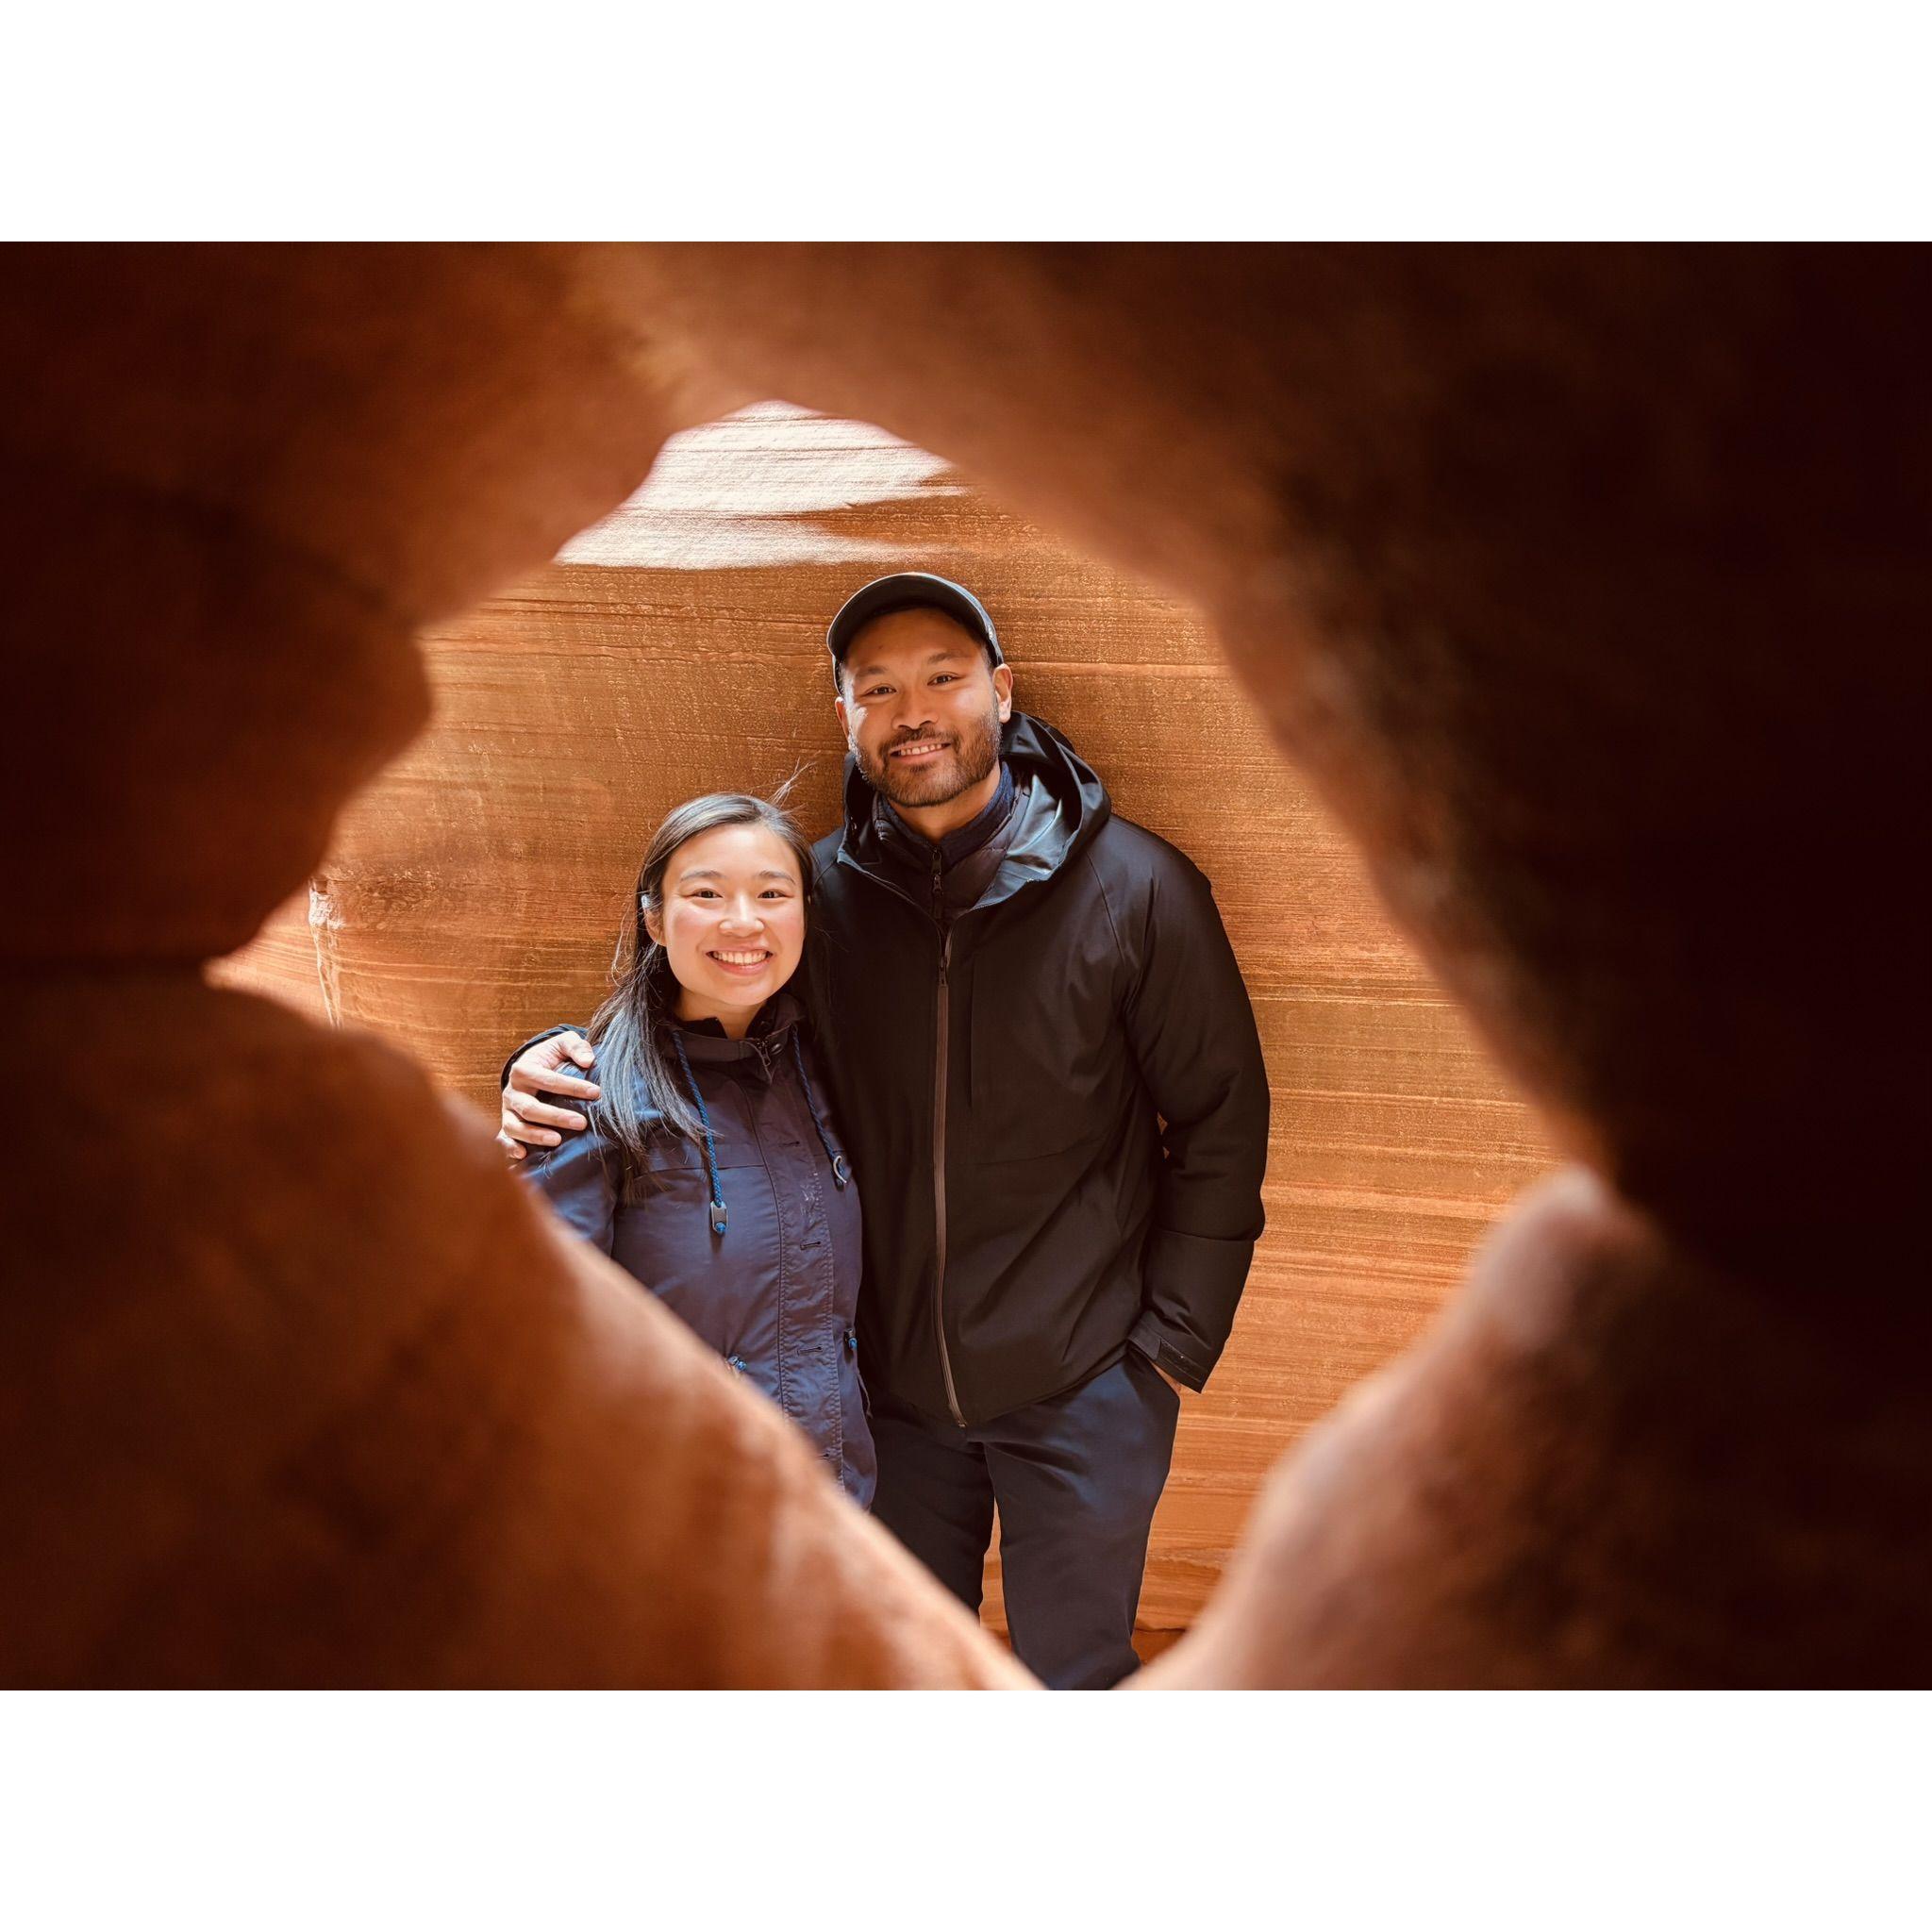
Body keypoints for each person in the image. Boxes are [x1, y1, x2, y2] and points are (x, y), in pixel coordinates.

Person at [502, 575, 1269, 1685]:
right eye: (878, 688)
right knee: (901, 1674)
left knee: (1078, 1673)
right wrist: (547, 1059)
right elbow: (707, 1029)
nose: (913, 710)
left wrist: (1162, 1352)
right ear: (845, 717)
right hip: (887, 1402)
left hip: (1086, 1381)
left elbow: (1219, 1116)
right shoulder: (811, 898)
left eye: (943, 677)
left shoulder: (1136, 888)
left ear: (1001, 693)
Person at [503, 791, 873, 1507]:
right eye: (706, 893)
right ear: (654, 918)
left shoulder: (826, 1074)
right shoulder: (583, 1098)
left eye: (772, 893)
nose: (743, 921)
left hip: (833, 1513)